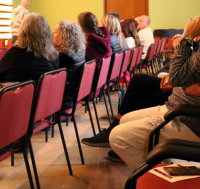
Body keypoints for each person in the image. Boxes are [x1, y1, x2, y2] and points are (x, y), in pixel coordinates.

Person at [109, 16, 200, 169]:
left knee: (117, 137)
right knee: (125, 118)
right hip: (175, 107)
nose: (195, 19)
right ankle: (163, 165)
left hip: (188, 118)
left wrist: (186, 39)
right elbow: (182, 78)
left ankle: (159, 180)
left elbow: (176, 78)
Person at [81, 74, 171, 149]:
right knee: (139, 81)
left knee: (140, 93)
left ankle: (122, 139)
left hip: (178, 96)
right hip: (175, 86)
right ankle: (124, 140)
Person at [0, 13, 59, 84]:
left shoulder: (15, 54)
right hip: (44, 94)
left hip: (15, 94)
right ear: (47, 32)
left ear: (23, 32)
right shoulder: (53, 56)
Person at [53, 20, 86, 110]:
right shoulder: (79, 51)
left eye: (56, 31)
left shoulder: (65, 56)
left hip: (63, 99)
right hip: (73, 97)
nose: (53, 33)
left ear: (64, 36)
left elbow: (53, 80)